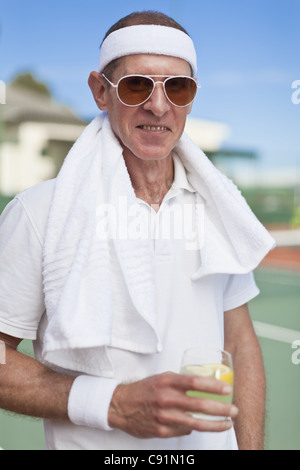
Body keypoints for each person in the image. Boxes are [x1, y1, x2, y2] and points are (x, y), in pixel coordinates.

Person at [0, 11, 275, 450]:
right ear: (100, 92)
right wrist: (113, 403)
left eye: (177, 87)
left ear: (191, 97)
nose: (159, 105)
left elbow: (239, 342)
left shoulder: (218, 208)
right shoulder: (37, 213)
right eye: (136, 85)